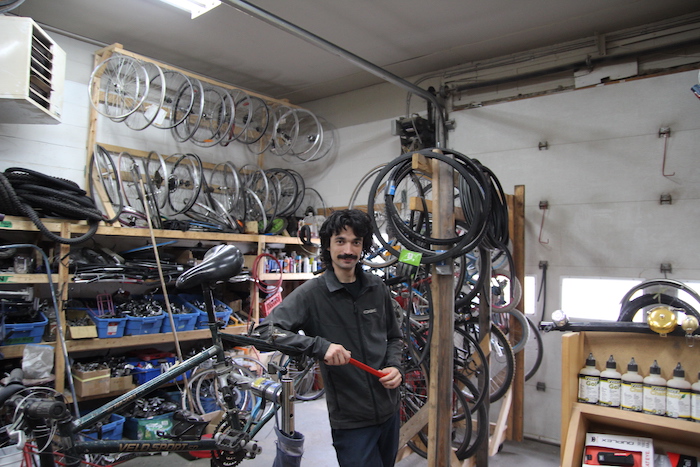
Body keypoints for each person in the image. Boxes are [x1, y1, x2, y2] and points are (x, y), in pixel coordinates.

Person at [256, 209, 404, 467]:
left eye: (356, 242)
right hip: (351, 420)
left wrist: (395, 366)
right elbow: (267, 331)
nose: (349, 249)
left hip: (389, 410)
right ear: (327, 245)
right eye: (340, 241)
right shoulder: (313, 294)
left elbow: (393, 337)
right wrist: (319, 346)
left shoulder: (376, 288)